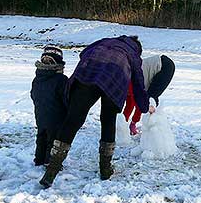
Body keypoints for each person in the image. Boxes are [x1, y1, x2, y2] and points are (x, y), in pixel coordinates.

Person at [39, 35, 151, 188]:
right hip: (114, 80)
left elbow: (83, 53)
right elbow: (138, 83)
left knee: (73, 119)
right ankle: (105, 170)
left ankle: (51, 171)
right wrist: (145, 106)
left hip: (87, 73)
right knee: (108, 121)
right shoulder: (133, 53)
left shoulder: (104, 41)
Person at [30, 46, 68, 166]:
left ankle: (39, 159)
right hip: (56, 115)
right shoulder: (61, 79)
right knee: (53, 138)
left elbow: (33, 94)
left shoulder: (37, 78)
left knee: (41, 135)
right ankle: (49, 161)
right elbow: (65, 98)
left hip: (40, 113)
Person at [123, 55, 175, 135]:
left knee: (151, 99)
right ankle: (153, 129)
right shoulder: (126, 83)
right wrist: (124, 123)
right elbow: (130, 105)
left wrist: (132, 122)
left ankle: (156, 131)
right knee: (149, 99)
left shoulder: (131, 82)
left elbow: (139, 105)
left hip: (165, 66)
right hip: (160, 64)